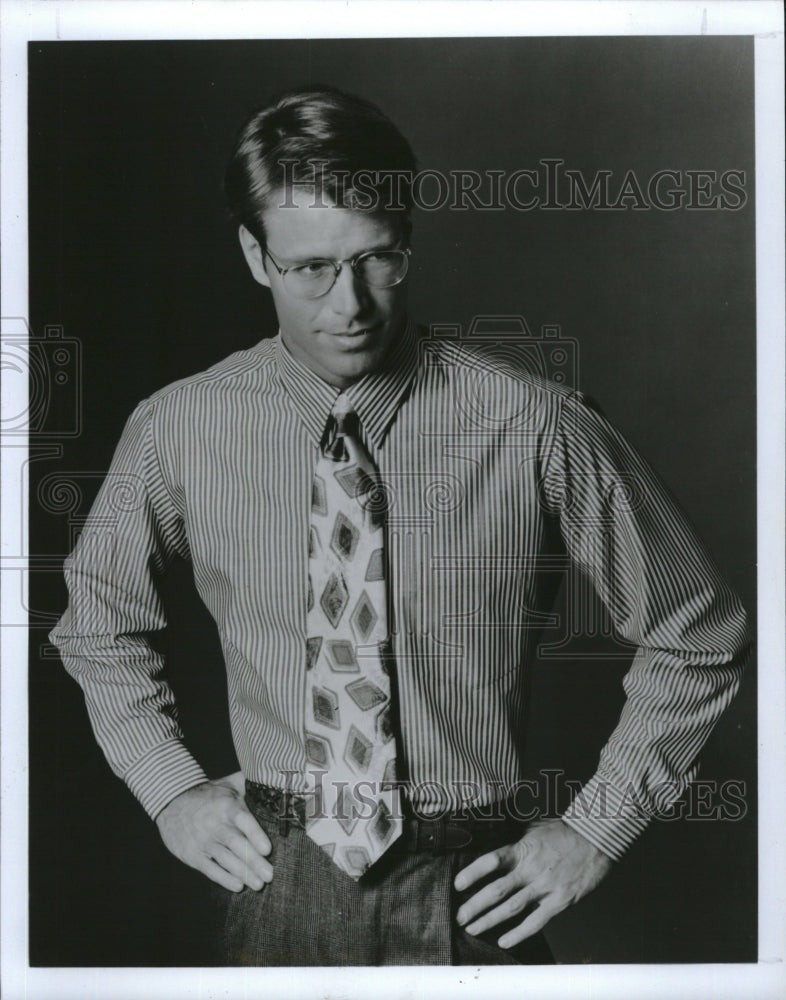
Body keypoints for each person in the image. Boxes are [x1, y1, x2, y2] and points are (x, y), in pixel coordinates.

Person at [50, 85, 750, 967]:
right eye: (311, 267)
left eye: (377, 260)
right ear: (254, 254)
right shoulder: (176, 427)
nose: (350, 305)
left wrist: (597, 830)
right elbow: (97, 623)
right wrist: (170, 789)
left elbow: (698, 629)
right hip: (279, 884)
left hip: (474, 886)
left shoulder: (530, 421)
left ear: (406, 243)